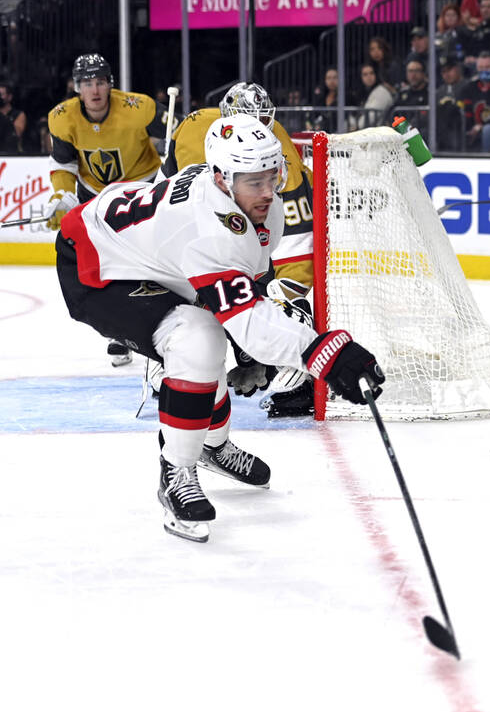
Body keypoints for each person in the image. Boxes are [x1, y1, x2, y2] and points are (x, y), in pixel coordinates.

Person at [54, 114, 384, 542]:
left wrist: (250, 353)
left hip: (152, 255)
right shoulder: (207, 230)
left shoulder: (258, 205)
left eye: (273, 175)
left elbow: (249, 281)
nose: (268, 192)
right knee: (197, 339)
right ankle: (177, 470)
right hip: (95, 268)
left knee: (208, 332)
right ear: (223, 179)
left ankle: (211, 444)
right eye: (254, 182)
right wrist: (331, 355)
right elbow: (251, 322)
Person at [161, 81, 318, 417]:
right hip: (206, 238)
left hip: (261, 244)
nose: (259, 132)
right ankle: (191, 372)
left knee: (268, 295)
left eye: (264, 121)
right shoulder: (191, 129)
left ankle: (293, 381)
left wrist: (290, 303)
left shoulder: (279, 152)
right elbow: (165, 188)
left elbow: (298, 233)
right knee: (192, 310)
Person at [44, 53, 168, 367]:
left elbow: (174, 138)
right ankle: (122, 332)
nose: (94, 90)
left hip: (140, 192)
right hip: (96, 197)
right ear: (76, 87)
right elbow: (64, 162)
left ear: (110, 84)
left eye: (100, 82)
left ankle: (168, 325)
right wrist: (62, 193)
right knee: (109, 266)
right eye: (87, 83)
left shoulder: (139, 109)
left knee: (151, 261)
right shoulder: (62, 117)